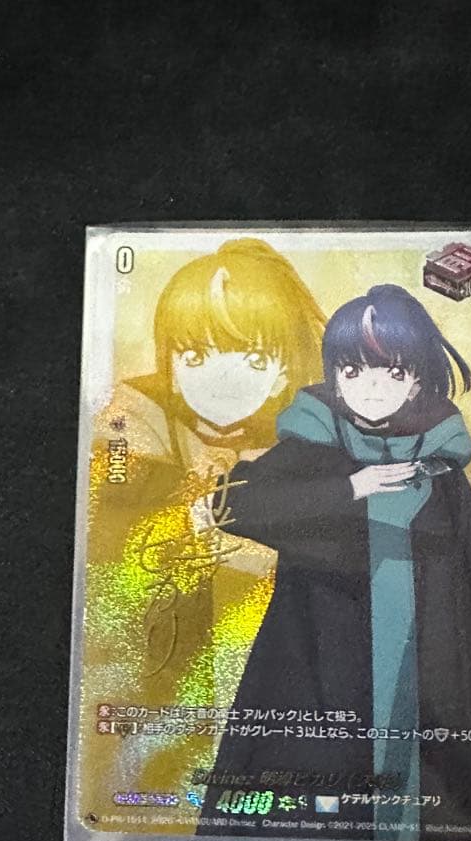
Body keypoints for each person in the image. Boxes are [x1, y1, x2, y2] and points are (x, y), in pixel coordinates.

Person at [196, 284, 471, 841]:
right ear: (334, 375)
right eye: (352, 371)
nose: (371, 387)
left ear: (418, 379)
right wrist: (350, 488)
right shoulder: (312, 443)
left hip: (426, 665)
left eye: (393, 372)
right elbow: (227, 505)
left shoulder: (441, 463)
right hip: (320, 661)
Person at [84, 240, 325, 799]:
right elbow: (115, 559)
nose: (220, 381)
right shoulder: (132, 423)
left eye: (251, 359)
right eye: (194, 356)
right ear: (169, 361)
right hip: (160, 667)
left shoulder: (314, 431)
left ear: (283, 368)